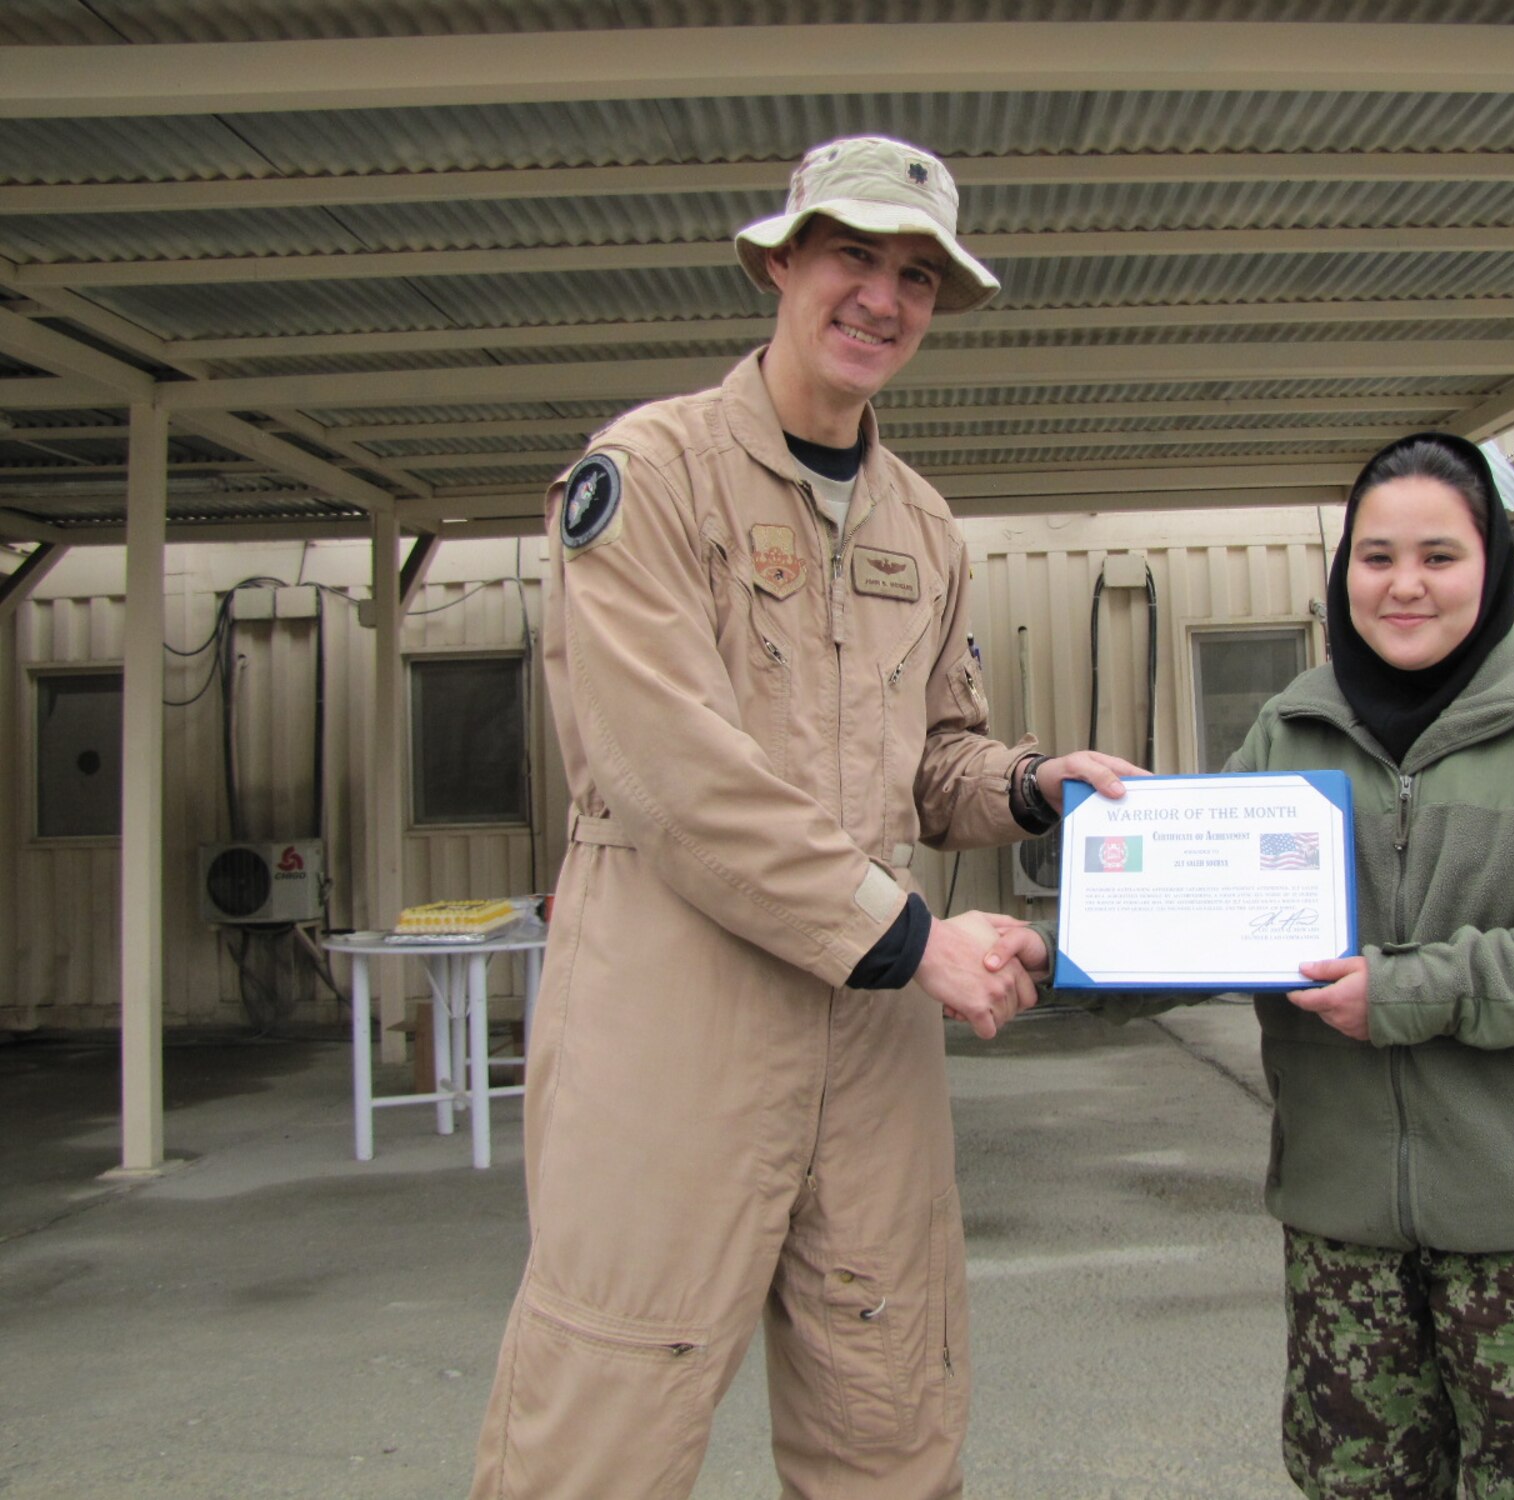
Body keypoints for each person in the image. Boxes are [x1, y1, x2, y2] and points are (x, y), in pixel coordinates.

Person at [470, 135, 1141, 1500]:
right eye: (852, 255)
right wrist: (912, 941)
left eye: (915, 274)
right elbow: (671, 774)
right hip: (676, 1007)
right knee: (610, 1401)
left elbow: (930, 759)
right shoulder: (648, 475)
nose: (881, 299)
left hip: (870, 1037)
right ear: (780, 261)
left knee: (888, 1401)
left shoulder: (923, 525)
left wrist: (1025, 785)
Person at [982, 432, 1514, 1497]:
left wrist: (1410, 990)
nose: (1403, 586)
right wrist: (1062, 951)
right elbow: (1213, 919)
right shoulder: (1290, 728)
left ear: (1492, 567)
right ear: (1342, 567)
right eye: (1375, 555)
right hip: (1342, 1224)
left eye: (1438, 557)